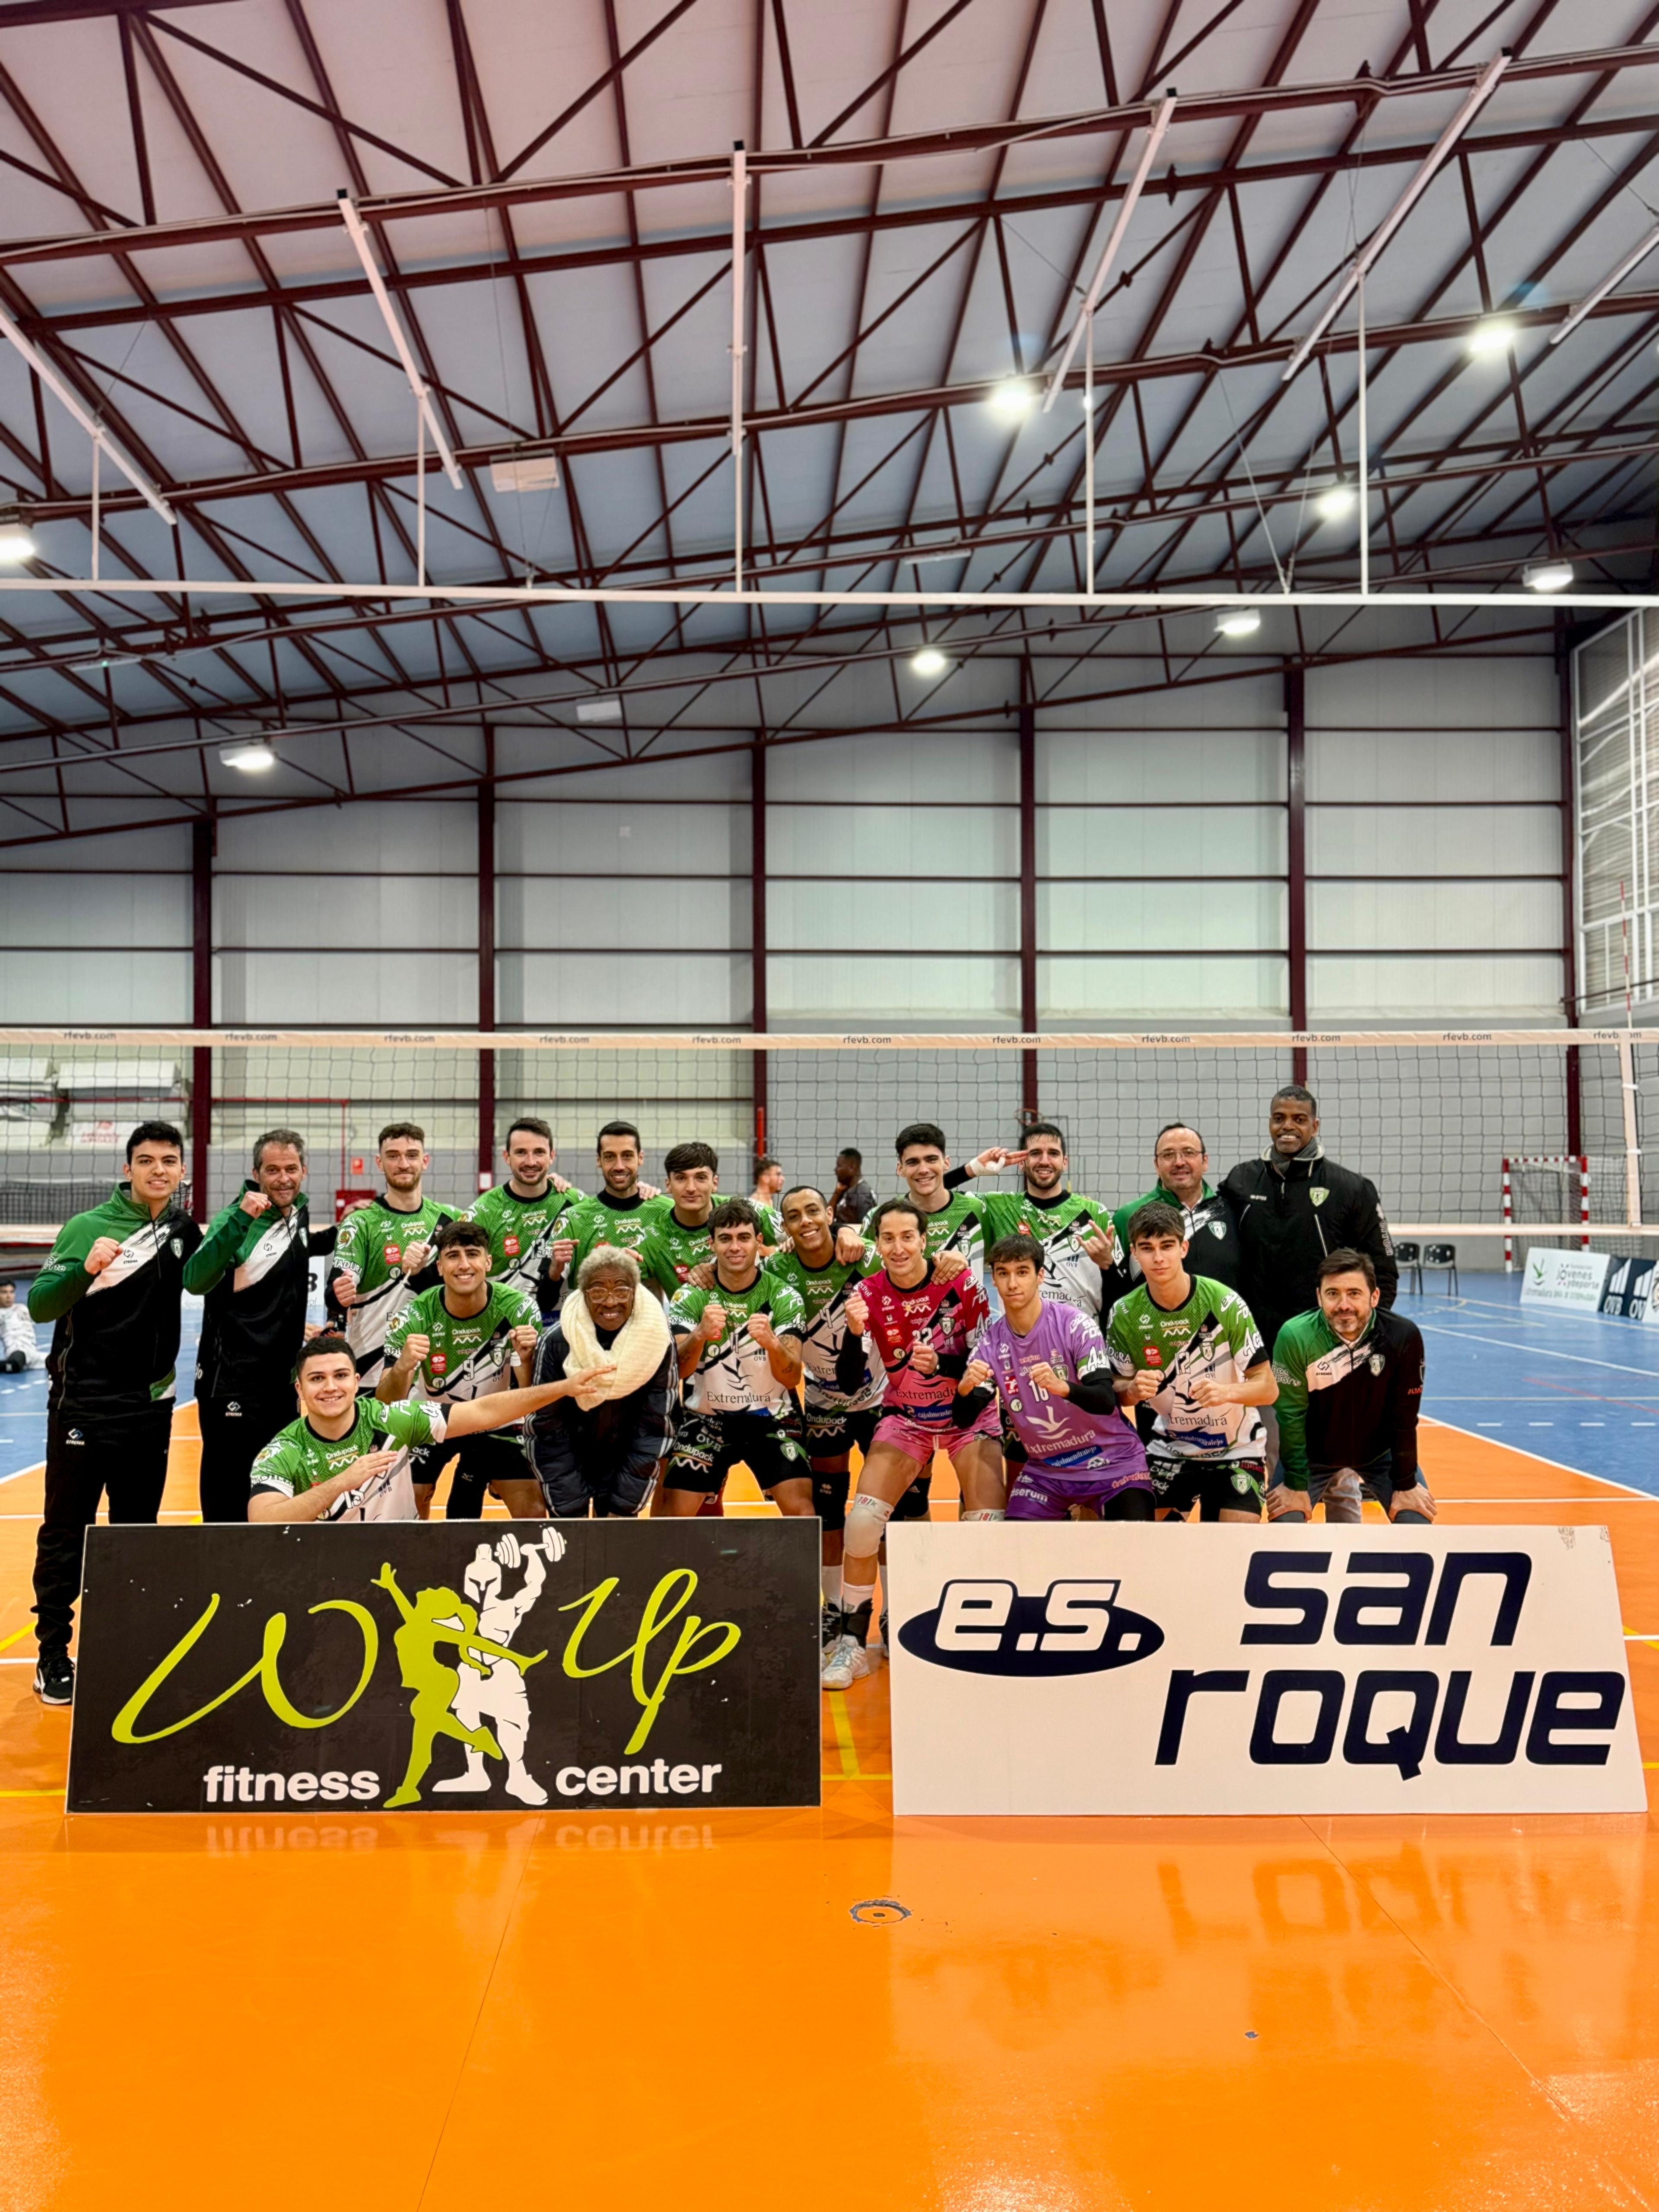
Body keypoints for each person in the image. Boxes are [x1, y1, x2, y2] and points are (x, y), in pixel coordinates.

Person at [27, 1121, 202, 1705]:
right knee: (66, 1533)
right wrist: (86, 1270)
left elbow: (213, 1276)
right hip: (84, 1405)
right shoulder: (88, 1226)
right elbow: (41, 1304)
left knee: (135, 1534)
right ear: (128, 1169)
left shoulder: (182, 1229)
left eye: (169, 1161)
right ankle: (53, 1654)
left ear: (182, 1171)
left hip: (150, 1408)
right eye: (146, 1160)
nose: (158, 1170)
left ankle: (123, 1650)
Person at [826, 1198, 1003, 1686]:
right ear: (877, 1244)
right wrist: (854, 1332)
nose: (899, 1247)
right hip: (907, 1415)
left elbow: (988, 1361)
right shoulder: (867, 1292)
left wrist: (948, 1377)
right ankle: (852, 1646)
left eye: (908, 1237)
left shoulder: (961, 1284)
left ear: (925, 1240)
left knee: (988, 1526)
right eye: (888, 1238)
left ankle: (977, 1636)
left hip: (968, 1412)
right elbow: (849, 1381)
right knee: (863, 1523)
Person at [768, 1184, 929, 1653]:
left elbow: (912, 1264)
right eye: (794, 1215)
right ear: (785, 1226)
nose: (806, 1221)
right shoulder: (777, 1270)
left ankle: (897, 1608)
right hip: (824, 1400)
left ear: (828, 1213)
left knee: (892, 1508)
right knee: (830, 1508)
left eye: (813, 1211)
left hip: (883, 1397)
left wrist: (947, 1260)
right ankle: (835, 1608)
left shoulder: (865, 1257)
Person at [248, 1332, 609, 1523]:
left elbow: (483, 1410)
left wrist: (563, 1388)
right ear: (300, 1389)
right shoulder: (284, 1450)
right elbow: (262, 1519)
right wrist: (343, 1481)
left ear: (356, 1382)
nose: (330, 1387)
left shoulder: (392, 1420)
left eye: (340, 1376)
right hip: (324, 1566)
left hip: (398, 1561)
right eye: (317, 1379)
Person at [957, 1234, 1153, 1520]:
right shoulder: (990, 1345)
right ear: (994, 1280)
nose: (1013, 1284)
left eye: (1022, 1272)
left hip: (1112, 1461)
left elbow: (1105, 1399)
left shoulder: (1075, 1325)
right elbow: (964, 1419)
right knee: (1017, 1545)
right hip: (1047, 1472)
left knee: (1132, 1540)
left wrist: (1063, 1388)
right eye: (1003, 1274)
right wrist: (964, 1390)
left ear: (1040, 1276)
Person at [186, 1128, 327, 1523]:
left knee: (278, 1490)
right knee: (229, 1500)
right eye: (272, 1170)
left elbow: (293, 1255)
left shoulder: (297, 1213)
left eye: (291, 1169)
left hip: (281, 1383)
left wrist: (354, 1224)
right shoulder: (234, 1219)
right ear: (256, 1174)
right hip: (232, 1383)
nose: (283, 1179)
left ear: (304, 1171)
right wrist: (240, 1220)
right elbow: (194, 1280)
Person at [1105, 1201, 1277, 1523]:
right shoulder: (1125, 1314)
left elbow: (1268, 1388)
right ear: (1134, 1253)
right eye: (1147, 1248)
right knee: (1144, 1538)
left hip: (1236, 1450)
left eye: (1167, 1246)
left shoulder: (1224, 1303)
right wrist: (1132, 1389)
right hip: (1170, 1449)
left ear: (1183, 1248)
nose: (1158, 1258)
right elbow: (1116, 1389)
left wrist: (1226, 1393)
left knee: (1234, 1542)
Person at [379, 1218, 545, 1520]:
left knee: (533, 1510)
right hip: (435, 1418)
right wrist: (402, 1367)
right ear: (440, 1267)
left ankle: (489, 1479)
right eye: (453, 1256)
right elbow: (386, 1404)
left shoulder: (519, 1309)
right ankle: (421, 1550)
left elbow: (532, 1397)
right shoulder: (413, 1316)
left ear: (488, 1262)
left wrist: (526, 1359)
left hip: (497, 1419)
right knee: (410, 1500)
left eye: (473, 1254)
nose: (464, 1265)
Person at [1220, 1084, 1398, 1362]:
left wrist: (1361, 1334)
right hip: (1253, 1340)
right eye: (1279, 1118)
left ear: (1315, 1126)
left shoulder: (1351, 1189)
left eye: (1299, 1119)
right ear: (1270, 1123)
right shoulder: (1241, 1180)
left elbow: (1384, 1272)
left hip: (1324, 1342)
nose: (1287, 1126)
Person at [657, 1199, 811, 1519]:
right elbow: (680, 1371)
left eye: (744, 1238)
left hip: (772, 1419)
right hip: (706, 1420)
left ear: (759, 1241)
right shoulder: (690, 1296)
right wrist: (699, 1335)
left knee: (802, 1512)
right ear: (711, 1244)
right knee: (673, 1515)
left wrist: (772, 1343)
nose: (735, 1247)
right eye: (725, 1239)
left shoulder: (783, 1296)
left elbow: (791, 1377)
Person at [1266, 1249, 1437, 1525]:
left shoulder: (1402, 1336)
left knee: (1415, 1521)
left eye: (1354, 1293)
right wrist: (1296, 1485)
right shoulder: (1295, 1335)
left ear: (1375, 1297)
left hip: (1380, 1454)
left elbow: (1404, 1418)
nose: (1343, 1304)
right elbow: (1291, 1417)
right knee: (1286, 1524)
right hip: (1311, 1455)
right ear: (1319, 1297)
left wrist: (1406, 1485)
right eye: (1333, 1294)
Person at [527, 1246, 679, 1517]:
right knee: (571, 1537)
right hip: (568, 1456)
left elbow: (653, 1427)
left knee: (616, 1539)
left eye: (621, 1291)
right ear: (584, 1294)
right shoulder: (556, 1341)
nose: (610, 1302)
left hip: (627, 1460)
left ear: (635, 1292)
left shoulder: (657, 1341)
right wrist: (569, 1505)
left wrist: (623, 1505)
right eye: (598, 1292)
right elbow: (546, 1427)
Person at [328, 1122, 453, 1386]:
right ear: (380, 1163)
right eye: (393, 1156)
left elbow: (459, 1288)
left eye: (412, 1155)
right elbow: (334, 1295)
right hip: (373, 1369)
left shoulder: (448, 1220)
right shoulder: (360, 1224)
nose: (403, 1164)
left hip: (435, 1370)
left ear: (425, 1161)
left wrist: (419, 1272)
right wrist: (339, 1294)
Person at [950, 1121, 1119, 1316]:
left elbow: (1123, 1287)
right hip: (1020, 1334)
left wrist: (1108, 1264)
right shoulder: (998, 1208)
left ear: (1065, 1162)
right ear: (1022, 1162)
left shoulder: (1094, 1213)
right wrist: (972, 1170)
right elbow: (932, 1196)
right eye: (1035, 1153)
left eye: (1053, 1153)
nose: (1044, 1161)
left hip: (1079, 1332)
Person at [464, 1117, 582, 1317]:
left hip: (561, 1326)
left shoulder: (574, 1202)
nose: (531, 1162)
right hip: (504, 1328)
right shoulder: (484, 1212)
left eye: (539, 1152)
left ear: (552, 1156)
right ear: (507, 1157)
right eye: (521, 1153)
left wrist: (637, 1191)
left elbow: (610, 1210)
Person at [1112, 1123, 1243, 1294]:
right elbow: (1114, 1286)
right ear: (1156, 1165)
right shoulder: (1128, 1216)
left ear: (1205, 1162)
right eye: (1168, 1155)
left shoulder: (1231, 1211)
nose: (1179, 1162)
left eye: (1189, 1153)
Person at [556, 1122, 663, 1285]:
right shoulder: (574, 1219)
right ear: (599, 1160)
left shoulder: (665, 1212)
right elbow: (548, 1294)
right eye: (610, 1157)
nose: (619, 1166)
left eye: (627, 1156)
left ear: (640, 1158)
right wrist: (554, 1273)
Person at [639, 1140, 724, 1290]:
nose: (691, 1188)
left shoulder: (742, 1213)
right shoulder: (654, 1238)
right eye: (681, 1178)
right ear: (668, 1185)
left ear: (715, 1183)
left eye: (701, 1178)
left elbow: (777, 1231)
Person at [0, 1280, 44, 1370]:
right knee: (14, 1365)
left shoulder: (22, 1308)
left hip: (33, 1354)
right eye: (4, 1293)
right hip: (16, 1351)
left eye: (12, 1292)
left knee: (64, 1360)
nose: (9, 1296)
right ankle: (11, 1365)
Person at [830, 1147, 875, 1228]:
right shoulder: (846, 1190)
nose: (835, 1170)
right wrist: (837, 1193)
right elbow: (827, 1216)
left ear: (851, 1168)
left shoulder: (861, 1193)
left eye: (839, 1166)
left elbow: (864, 1229)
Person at [748, 1156, 785, 1240]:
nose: (783, 1179)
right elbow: (759, 1242)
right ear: (765, 1178)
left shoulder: (769, 1201)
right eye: (778, 1175)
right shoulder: (755, 1206)